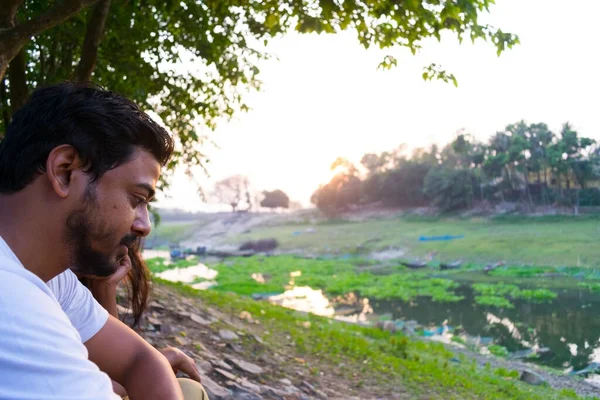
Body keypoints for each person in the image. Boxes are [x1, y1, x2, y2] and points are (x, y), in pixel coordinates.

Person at [0, 82, 205, 399]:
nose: (143, 225)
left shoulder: (54, 279)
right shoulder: (12, 302)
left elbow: (141, 359)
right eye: (136, 199)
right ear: (65, 170)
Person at [75, 247, 205, 397]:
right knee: (190, 391)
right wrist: (163, 360)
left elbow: (115, 364)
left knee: (188, 388)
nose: (145, 227)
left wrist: (105, 288)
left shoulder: (67, 287)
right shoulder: (51, 293)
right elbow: (102, 386)